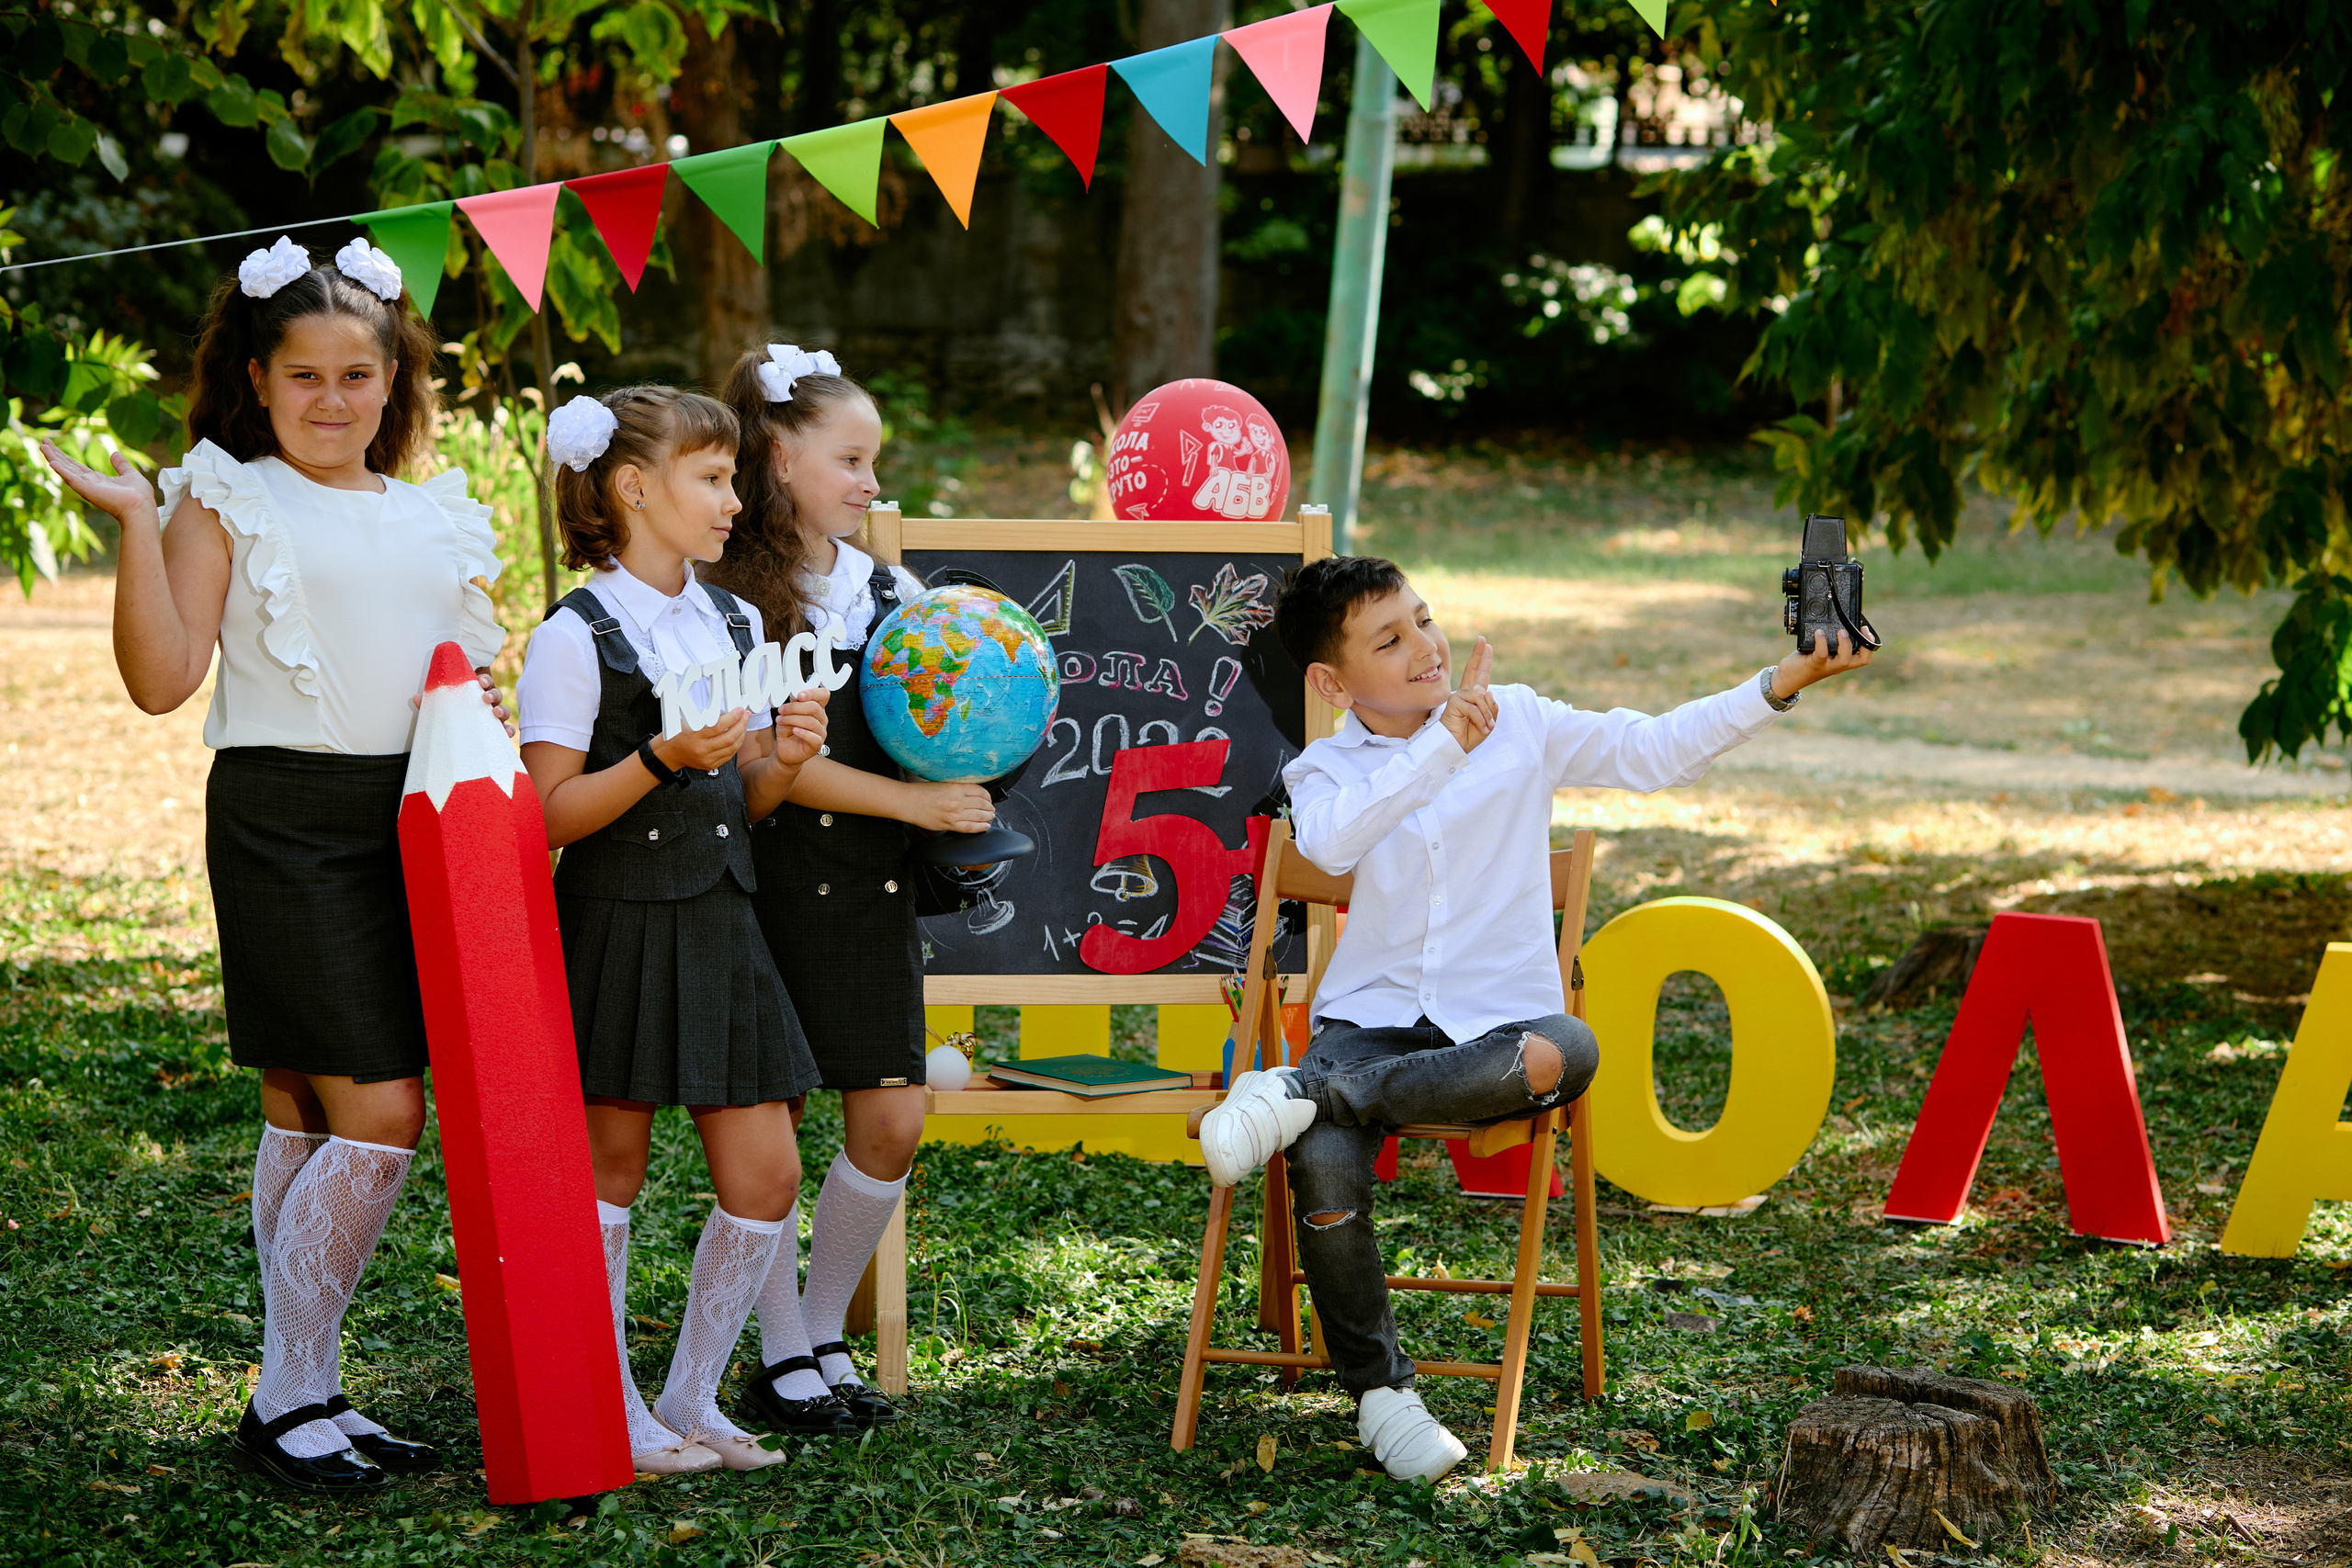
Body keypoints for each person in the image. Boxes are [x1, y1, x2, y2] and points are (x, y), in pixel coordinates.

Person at [1198, 554, 1875, 1482]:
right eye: (1388, 640)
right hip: (1371, 1016)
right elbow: (1331, 844)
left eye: (1424, 621)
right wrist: (1445, 750)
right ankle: (1383, 1396)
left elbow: (1652, 750)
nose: (1424, 648)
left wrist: (1782, 682)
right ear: (1331, 680)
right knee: (1321, 1158)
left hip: (1497, 1029)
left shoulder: (1519, 721)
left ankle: (1304, 1092)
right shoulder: (1320, 772)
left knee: (1567, 1051)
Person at [40, 233, 508, 1494]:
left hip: (418, 819)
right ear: (255, 377)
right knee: (379, 1107)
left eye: (359, 375)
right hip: (283, 817)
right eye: (303, 375)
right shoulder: (225, 495)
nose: (332, 400)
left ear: (394, 380)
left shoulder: (432, 512)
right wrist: (140, 522)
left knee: (304, 1099)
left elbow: (464, 685)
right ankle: (287, 1389)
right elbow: (162, 678)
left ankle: (309, 1385)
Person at [514, 385, 849, 1474]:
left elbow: (744, 795)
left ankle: (692, 1397)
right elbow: (550, 815)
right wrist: (659, 759)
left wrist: (782, 757)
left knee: (767, 1175)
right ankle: (608, 1405)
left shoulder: (738, 621)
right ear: (633, 488)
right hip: (615, 918)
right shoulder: (576, 632)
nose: (732, 497)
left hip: (722, 915)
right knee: (608, 1170)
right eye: (711, 478)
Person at [700, 344, 996, 1432]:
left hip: (867, 887)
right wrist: (918, 806)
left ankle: (823, 1330)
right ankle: (780, 1358)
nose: (872, 483)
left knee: (890, 1115)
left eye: (875, 461)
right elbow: (768, 758)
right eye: (852, 459)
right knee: (771, 1124)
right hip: (769, 875)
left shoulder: (889, 587)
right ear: (778, 456)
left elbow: (931, 707)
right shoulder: (729, 591)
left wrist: (973, 742)